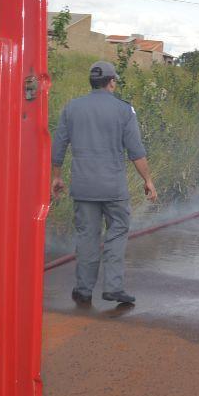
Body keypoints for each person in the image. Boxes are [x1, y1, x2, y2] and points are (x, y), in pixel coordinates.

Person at [51, 61, 157, 306]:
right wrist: (148, 180)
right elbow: (136, 151)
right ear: (111, 82)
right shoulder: (123, 110)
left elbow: (58, 146)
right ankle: (113, 287)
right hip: (113, 189)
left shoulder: (72, 108)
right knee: (117, 232)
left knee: (87, 236)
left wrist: (56, 176)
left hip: (83, 186)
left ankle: (84, 289)